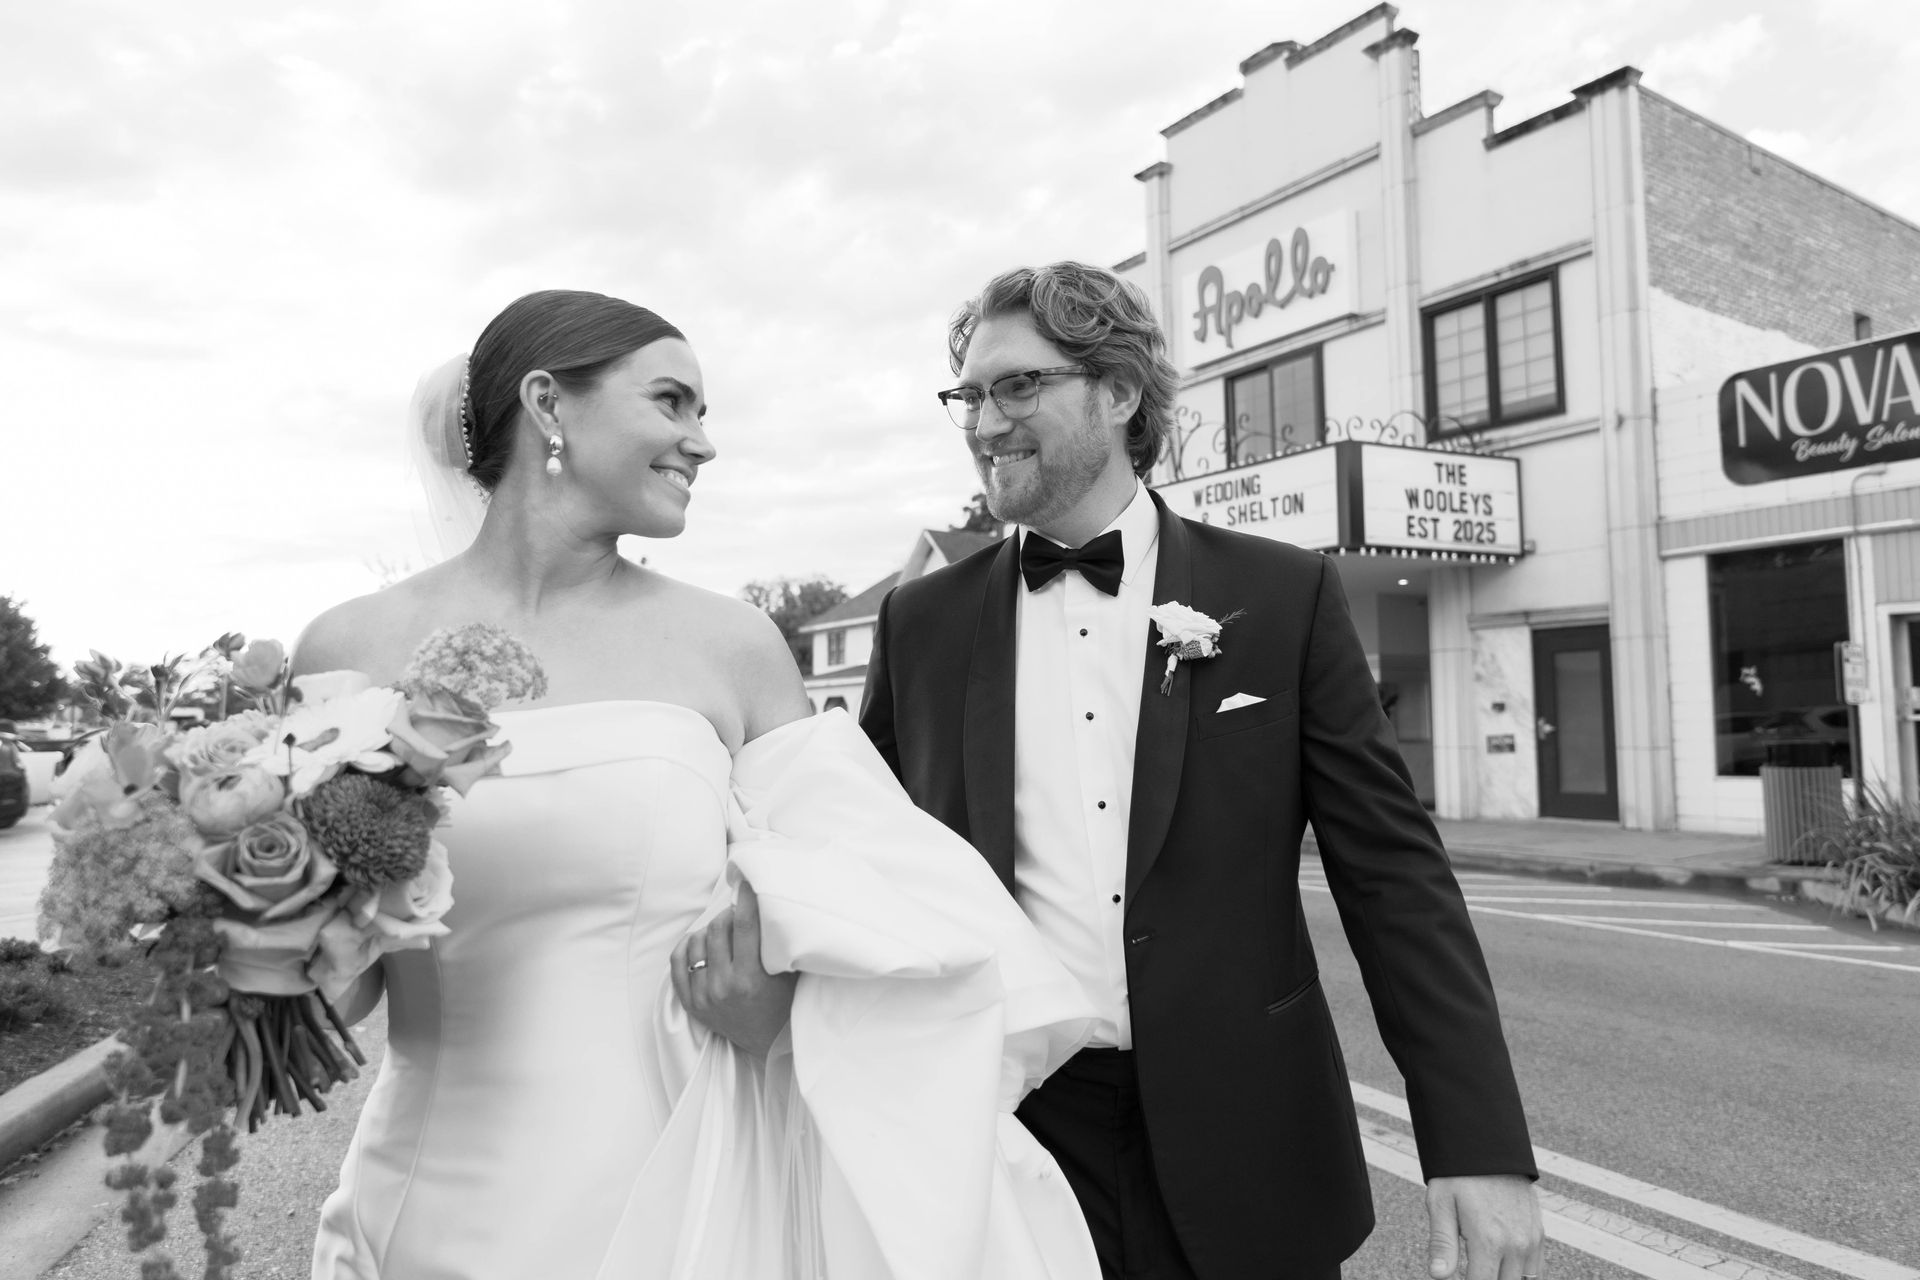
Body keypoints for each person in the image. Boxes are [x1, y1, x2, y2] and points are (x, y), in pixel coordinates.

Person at [297, 289, 1102, 1279]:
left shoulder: (732, 646)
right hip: (427, 1205)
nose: (703, 441)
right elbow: (336, 987)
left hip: (693, 1198)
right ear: (549, 405)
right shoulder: (351, 646)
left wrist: (787, 1006)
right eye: (674, 402)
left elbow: (885, 895)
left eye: (704, 411)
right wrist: (243, 932)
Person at [860, 262, 1547, 1280]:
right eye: (968, 392)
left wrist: (1479, 1142)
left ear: (1120, 392)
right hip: (1008, 1137)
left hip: (1249, 1139)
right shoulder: (920, 622)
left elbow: (1395, 879)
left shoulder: (1281, 594)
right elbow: (869, 860)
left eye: (1018, 386)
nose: (982, 418)